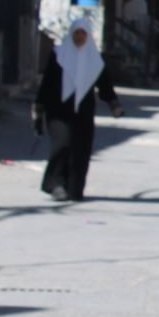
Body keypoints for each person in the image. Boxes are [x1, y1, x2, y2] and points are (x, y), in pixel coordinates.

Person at [33, 19, 122, 202]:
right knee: (62, 143)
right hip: (58, 110)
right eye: (77, 33)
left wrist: (114, 104)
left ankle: (73, 187)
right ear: (71, 34)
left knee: (81, 149)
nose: (80, 37)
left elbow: (105, 85)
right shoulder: (59, 55)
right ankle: (55, 184)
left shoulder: (95, 60)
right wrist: (39, 108)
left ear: (88, 36)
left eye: (83, 34)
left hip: (83, 111)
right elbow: (47, 83)